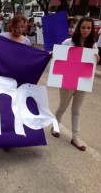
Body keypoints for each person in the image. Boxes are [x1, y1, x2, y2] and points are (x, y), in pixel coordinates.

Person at [51, 17, 100, 151]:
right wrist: (53, 54)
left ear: (92, 29)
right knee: (62, 107)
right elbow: (58, 56)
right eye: (83, 27)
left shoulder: (93, 45)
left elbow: (91, 65)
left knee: (77, 110)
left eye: (89, 28)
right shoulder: (69, 42)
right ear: (79, 28)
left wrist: (97, 59)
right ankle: (55, 126)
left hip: (83, 81)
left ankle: (75, 137)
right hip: (68, 80)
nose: (85, 30)